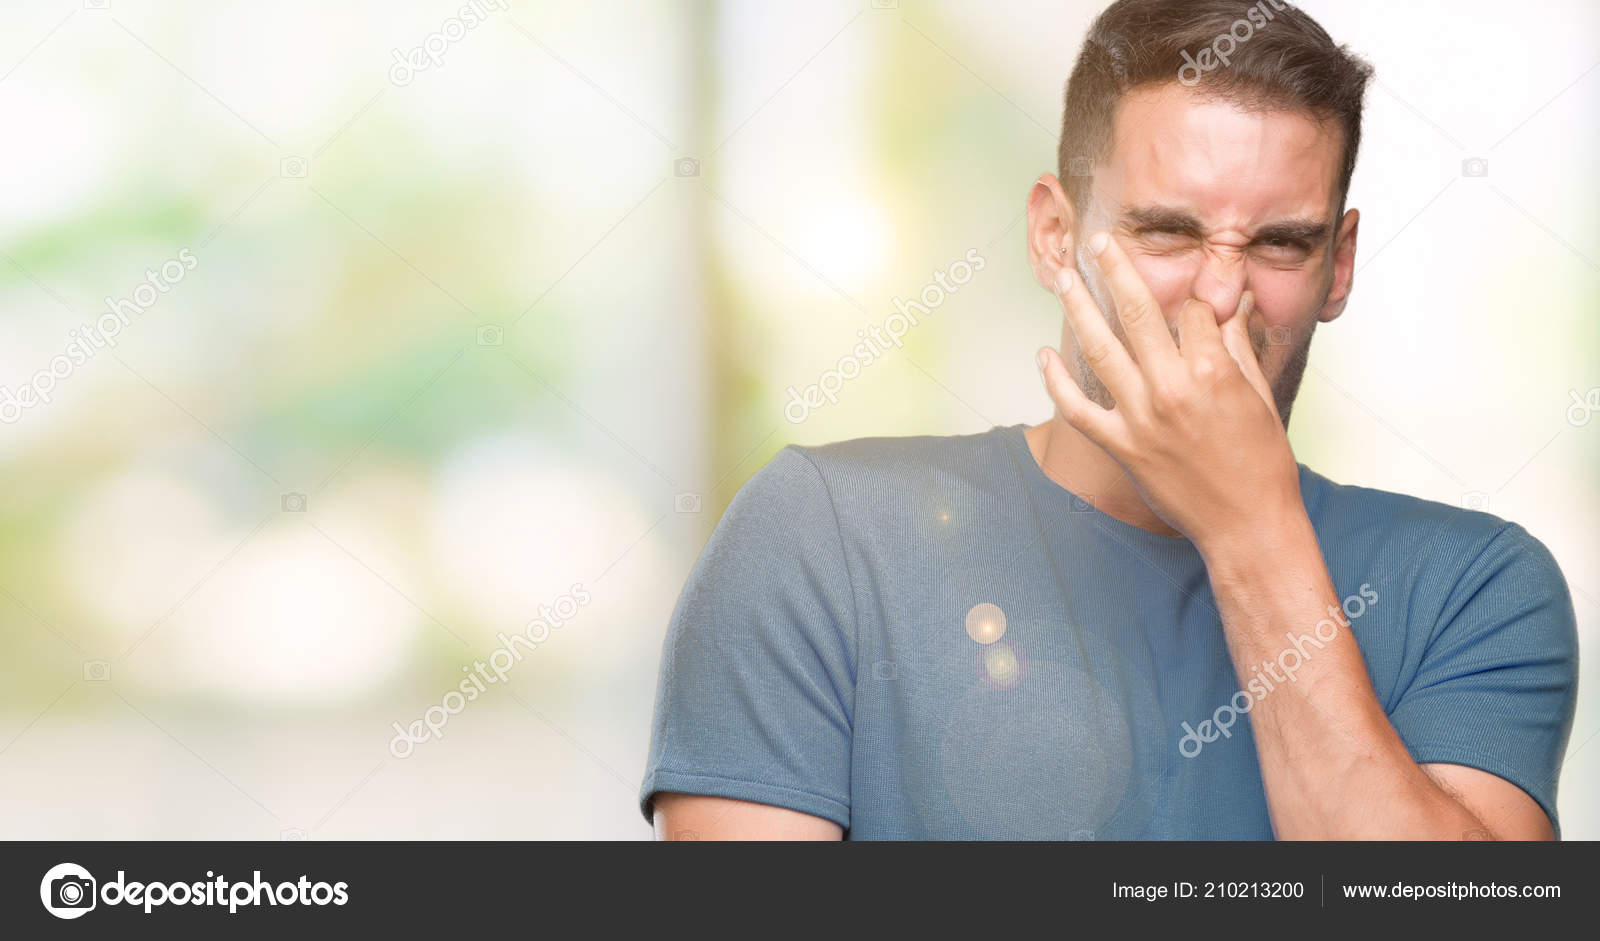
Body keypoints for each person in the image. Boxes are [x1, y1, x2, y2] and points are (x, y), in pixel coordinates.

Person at [639, 0, 1578, 840]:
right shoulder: (820, 537)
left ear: (1337, 265)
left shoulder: (1477, 588)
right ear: (1055, 234)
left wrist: (1251, 527)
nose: (1219, 295)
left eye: (1281, 243)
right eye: (1166, 231)